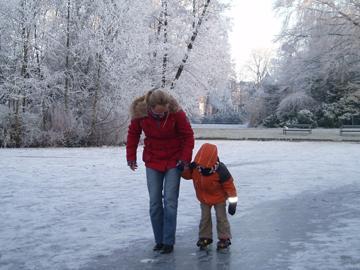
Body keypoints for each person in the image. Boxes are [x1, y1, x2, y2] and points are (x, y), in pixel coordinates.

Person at [126, 89, 194, 254]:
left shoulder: (176, 112)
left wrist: (184, 159)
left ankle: (168, 241)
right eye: (158, 113)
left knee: (170, 201)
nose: (162, 115)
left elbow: (188, 136)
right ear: (150, 107)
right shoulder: (140, 114)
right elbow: (133, 135)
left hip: (174, 160)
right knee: (155, 202)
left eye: (164, 112)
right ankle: (159, 240)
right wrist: (131, 157)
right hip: (153, 159)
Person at [181, 143, 237, 250]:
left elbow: (230, 187)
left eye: (204, 166)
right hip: (204, 198)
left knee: (221, 218)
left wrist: (233, 203)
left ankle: (224, 238)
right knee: (205, 218)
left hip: (219, 198)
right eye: (200, 165)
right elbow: (187, 176)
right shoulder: (196, 168)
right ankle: (205, 237)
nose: (201, 168)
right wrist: (184, 169)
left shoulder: (221, 170)